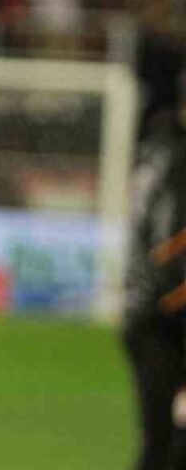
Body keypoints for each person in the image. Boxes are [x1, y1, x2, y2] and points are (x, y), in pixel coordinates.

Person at [124, 89, 186, 470]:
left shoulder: (154, 151)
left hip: (146, 312)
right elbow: (170, 250)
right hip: (166, 316)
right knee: (168, 447)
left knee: (162, 442)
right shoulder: (176, 160)